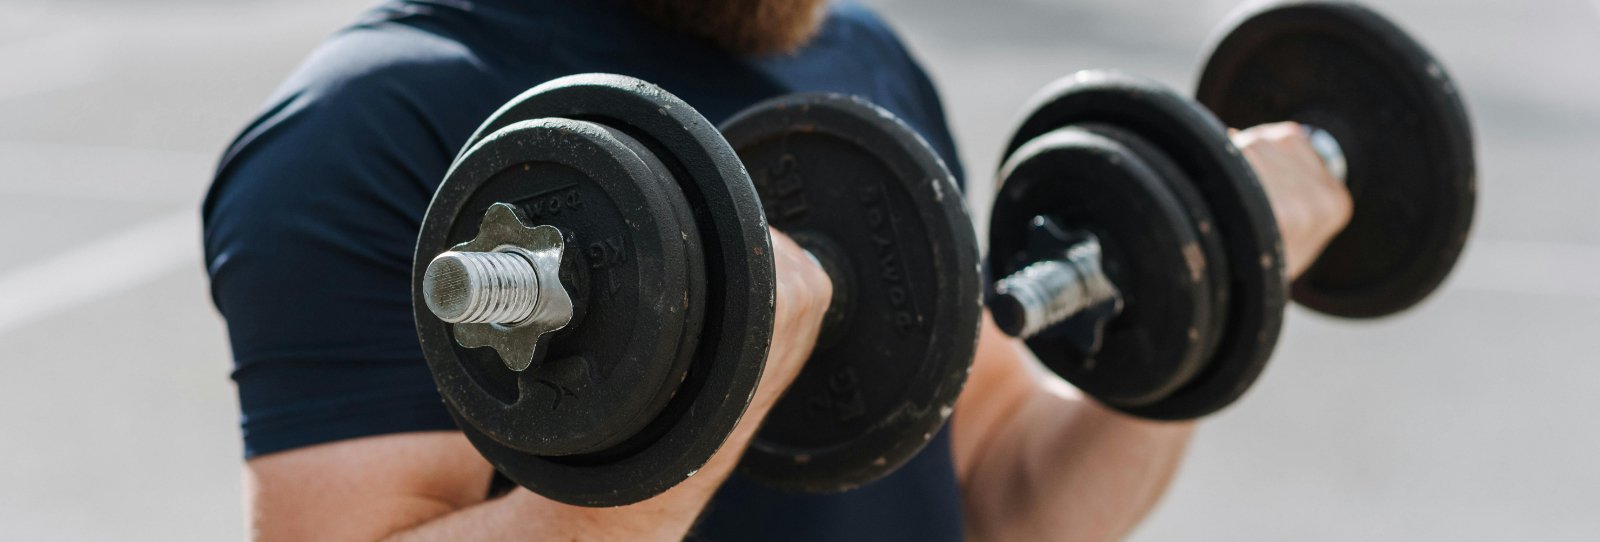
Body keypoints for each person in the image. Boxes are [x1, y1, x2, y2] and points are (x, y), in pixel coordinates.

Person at [201, 0, 1352, 540]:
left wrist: (1203, 295)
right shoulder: (369, 126)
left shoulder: (862, 62)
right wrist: (682, 427)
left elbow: (1003, 492)